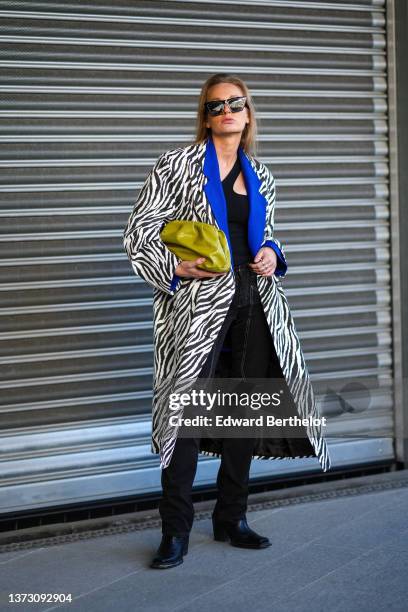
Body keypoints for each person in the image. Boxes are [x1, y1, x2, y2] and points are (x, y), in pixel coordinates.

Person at [123, 73, 331, 570]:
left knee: (244, 414)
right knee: (185, 417)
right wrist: (175, 266)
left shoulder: (261, 173)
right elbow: (138, 232)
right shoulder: (174, 166)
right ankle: (175, 530)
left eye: (236, 104)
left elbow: (270, 233)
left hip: (255, 303)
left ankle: (231, 518)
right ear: (205, 115)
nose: (227, 112)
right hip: (196, 307)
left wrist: (270, 254)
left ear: (248, 113)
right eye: (216, 106)